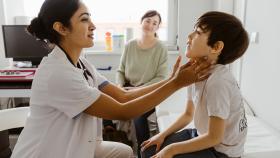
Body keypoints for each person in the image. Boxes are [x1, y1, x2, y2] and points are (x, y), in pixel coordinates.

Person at [10, 0, 210, 158]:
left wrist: (172, 79)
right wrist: (176, 83)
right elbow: (123, 111)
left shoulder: (82, 63)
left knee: (125, 152)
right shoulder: (58, 74)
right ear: (61, 28)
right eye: (84, 19)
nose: (93, 26)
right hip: (49, 152)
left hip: (80, 144)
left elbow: (122, 95)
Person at [141, 11, 249, 158]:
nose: (189, 36)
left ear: (216, 47)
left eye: (197, 32)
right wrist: (161, 135)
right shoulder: (195, 72)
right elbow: (188, 114)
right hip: (200, 135)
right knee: (148, 149)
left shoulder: (219, 81)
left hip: (220, 151)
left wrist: (171, 149)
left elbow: (214, 137)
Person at [112, 10, 168, 156]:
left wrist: (139, 90)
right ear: (141, 22)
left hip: (148, 92)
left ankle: (144, 153)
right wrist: (119, 87)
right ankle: (119, 146)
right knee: (105, 108)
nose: (150, 25)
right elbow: (120, 71)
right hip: (126, 90)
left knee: (138, 116)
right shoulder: (130, 45)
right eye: (148, 21)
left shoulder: (161, 48)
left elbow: (161, 78)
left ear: (157, 27)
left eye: (154, 23)